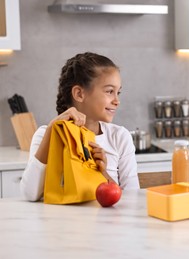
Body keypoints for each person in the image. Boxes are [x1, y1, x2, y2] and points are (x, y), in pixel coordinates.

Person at [20, 52, 139, 201]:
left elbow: (133, 198)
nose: (117, 101)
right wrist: (52, 129)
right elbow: (29, 194)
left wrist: (102, 173)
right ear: (79, 94)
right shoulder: (46, 134)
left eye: (118, 92)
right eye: (109, 91)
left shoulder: (119, 136)